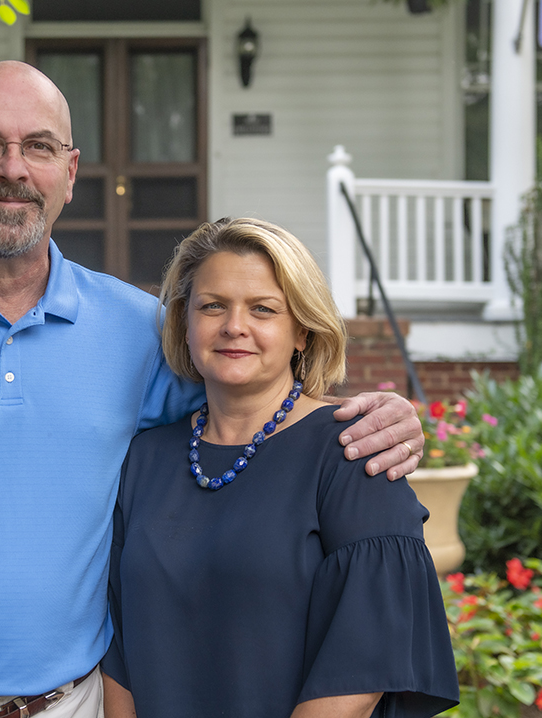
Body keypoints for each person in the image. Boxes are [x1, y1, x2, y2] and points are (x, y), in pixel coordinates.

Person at [0, 61, 427, 718]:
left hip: (70, 705)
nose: (12, 169)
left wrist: (372, 415)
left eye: (38, 147)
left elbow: (253, 399)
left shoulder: (141, 329)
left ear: (68, 174)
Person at [101, 218, 458, 718]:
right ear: (185, 323)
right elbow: (116, 640)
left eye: (263, 309)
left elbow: (363, 665)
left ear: (303, 333)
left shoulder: (355, 453)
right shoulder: (145, 458)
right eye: (212, 306)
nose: (234, 326)